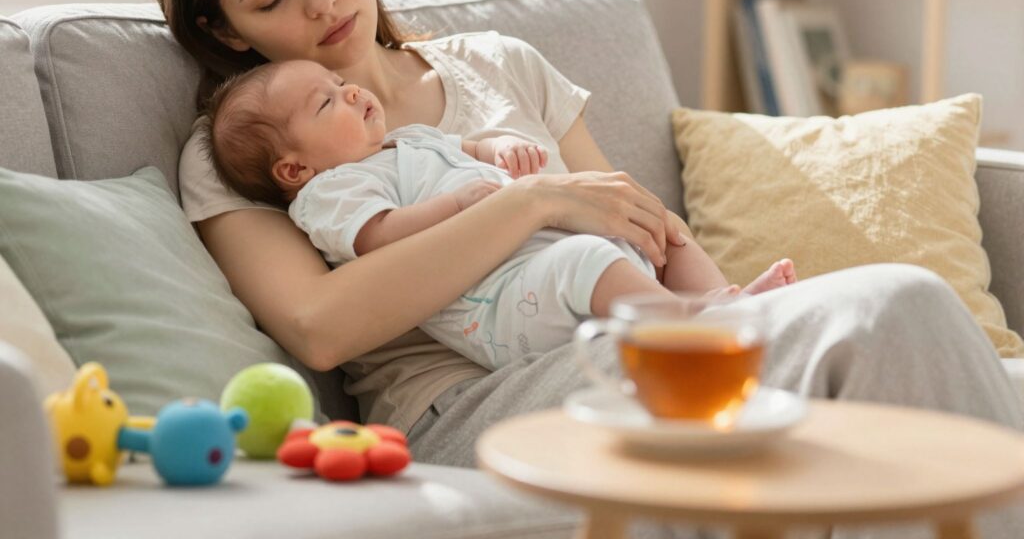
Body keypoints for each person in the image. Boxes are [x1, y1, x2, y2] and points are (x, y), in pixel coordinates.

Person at [148, 0, 1022, 537]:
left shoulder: (500, 63)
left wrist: (723, 312)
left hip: (623, 336)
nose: (321, 1)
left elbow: (633, 217)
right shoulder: (248, 149)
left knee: (889, 337)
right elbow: (321, 326)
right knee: (895, 305)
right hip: (474, 400)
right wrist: (529, 202)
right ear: (224, 27)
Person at [199, 58, 796, 371]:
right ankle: (694, 324)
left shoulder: (405, 143)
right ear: (293, 169)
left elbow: (469, 150)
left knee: (654, 224)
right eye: (327, 101)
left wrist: (501, 152)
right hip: (503, 300)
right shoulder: (331, 193)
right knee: (586, 258)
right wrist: (460, 204)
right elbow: (378, 236)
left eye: (338, 82)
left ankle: (732, 304)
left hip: (545, 255)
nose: (351, 92)